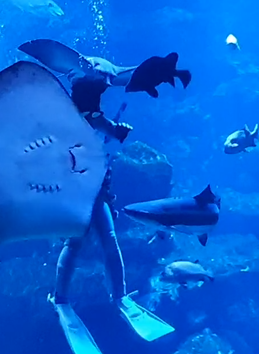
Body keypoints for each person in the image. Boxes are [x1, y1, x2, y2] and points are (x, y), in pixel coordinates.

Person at [47, 117, 174, 354]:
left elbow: (103, 151)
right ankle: (61, 299)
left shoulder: (88, 118)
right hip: (78, 197)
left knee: (109, 241)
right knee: (75, 243)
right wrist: (117, 129)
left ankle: (119, 295)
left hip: (97, 195)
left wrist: (107, 195)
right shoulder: (77, 117)